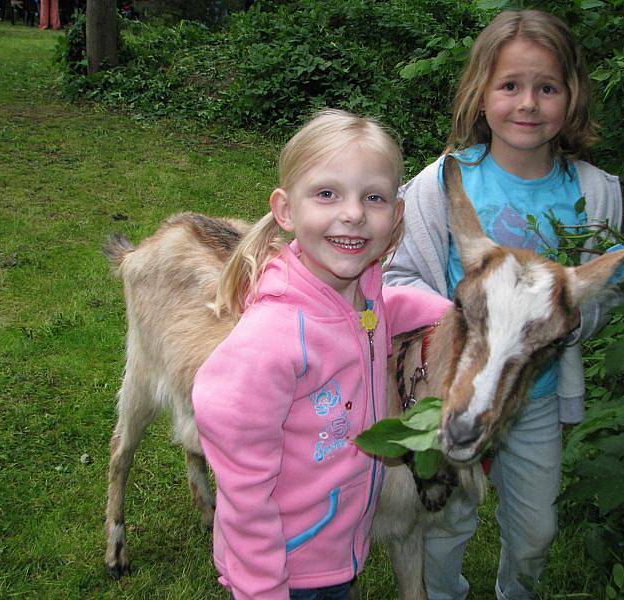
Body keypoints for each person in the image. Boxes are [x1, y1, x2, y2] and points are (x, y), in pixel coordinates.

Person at [383, 10, 624, 600]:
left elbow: (602, 295)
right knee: (443, 519)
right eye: (510, 85)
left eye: (547, 88)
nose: (528, 103)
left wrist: (567, 317)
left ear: (571, 97)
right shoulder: (443, 182)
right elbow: (398, 272)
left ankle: (516, 590)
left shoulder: (594, 191)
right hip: (452, 390)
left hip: (535, 398)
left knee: (537, 529)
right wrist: (457, 318)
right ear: (480, 92)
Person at [192, 109, 452, 600]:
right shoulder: (273, 338)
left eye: (373, 197)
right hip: (286, 568)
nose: (353, 213)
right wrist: (264, 589)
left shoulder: (362, 292)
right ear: (285, 210)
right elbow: (245, 494)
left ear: (396, 216)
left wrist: (453, 317)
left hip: (338, 551)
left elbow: (385, 309)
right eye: (327, 194)